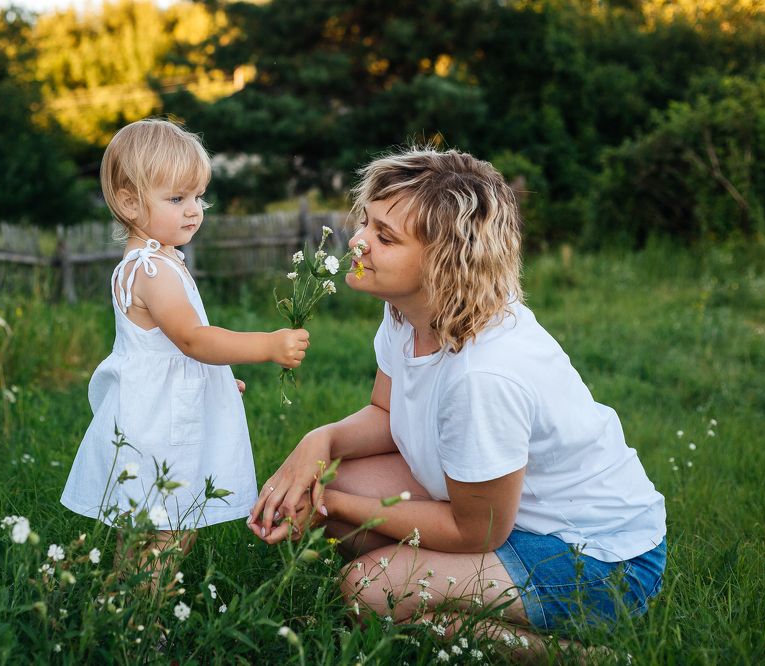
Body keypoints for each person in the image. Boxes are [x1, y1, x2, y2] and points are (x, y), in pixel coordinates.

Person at [249, 147, 666, 649]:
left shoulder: (483, 374)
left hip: (598, 560)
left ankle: (572, 656)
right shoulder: (408, 313)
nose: (357, 241)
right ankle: (422, 596)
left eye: (385, 237)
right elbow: (386, 413)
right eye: (365, 222)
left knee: (366, 591)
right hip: (505, 516)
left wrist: (329, 502)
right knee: (337, 475)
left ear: (443, 263)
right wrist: (319, 442)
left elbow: (475, 532)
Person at [61, 118, 309, 563]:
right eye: (177, 199)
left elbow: (171, 353)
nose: (194, 210)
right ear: (129, 202)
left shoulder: (158, 260)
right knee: (163, 531)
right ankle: (139, 605)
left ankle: (132, 598)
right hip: (160, 424)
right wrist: (268, 346)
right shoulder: (152, 270)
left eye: (198, 196)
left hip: (159, 409)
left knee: (165, 526)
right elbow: (193, 340)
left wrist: (214, 383)